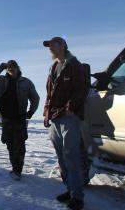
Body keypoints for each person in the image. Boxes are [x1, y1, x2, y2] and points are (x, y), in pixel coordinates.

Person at [43, 37, 88, 210]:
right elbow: (49, 93)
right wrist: (47, 113)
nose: (50, 49)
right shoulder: (53, 66)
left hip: (68, 117)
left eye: (53, 45)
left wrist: (71, 108)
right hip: (55, 118)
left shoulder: (75, 65)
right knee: (62, 157)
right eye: (49, 46)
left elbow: (81, 89)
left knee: (71, 157)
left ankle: (77, 197)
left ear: (63, 46)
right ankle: (70, 190)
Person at [0, 60, 39, 181]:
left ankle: (17, 169)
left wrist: (31, 112)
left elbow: (35, 98)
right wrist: (0, 67)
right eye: (9, 67)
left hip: (20, 117)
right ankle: (14, 165)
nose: (11, 69)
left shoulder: (26, 82)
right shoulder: (1, 80)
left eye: (13, 67)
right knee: (9, 142)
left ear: (18, 68)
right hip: (5, 117)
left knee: (20, 143)